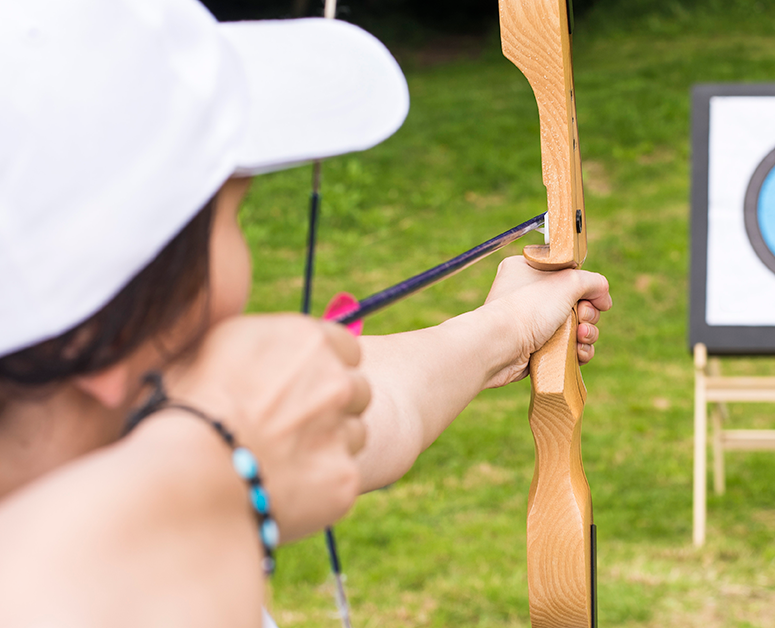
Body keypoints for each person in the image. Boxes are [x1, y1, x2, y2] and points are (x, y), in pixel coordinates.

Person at [0, 1, 612, 627]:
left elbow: (366, 405)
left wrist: (506, 329)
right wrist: (219, 470)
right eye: (232, 214)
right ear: (116, 323)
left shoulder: (139, 421)